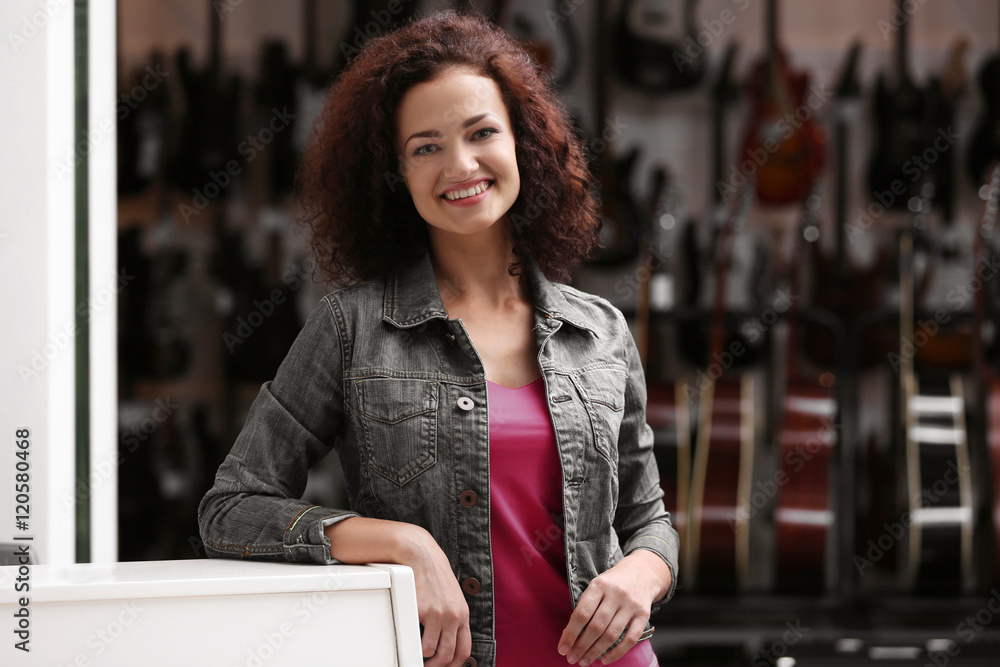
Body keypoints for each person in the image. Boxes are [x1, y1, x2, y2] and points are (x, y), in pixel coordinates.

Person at [198, 10, 678, 667]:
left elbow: (648, 518)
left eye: (482, 132)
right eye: (426, 146)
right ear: (395, 173)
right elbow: (231, 509)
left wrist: (644, 574)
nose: (460, 164)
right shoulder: (352, 328)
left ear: (523, 144)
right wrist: (401, 543)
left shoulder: (600, 330)